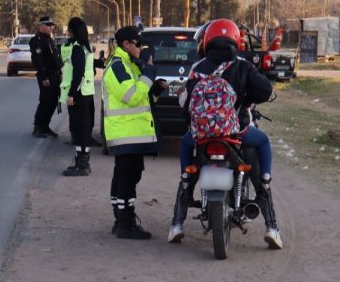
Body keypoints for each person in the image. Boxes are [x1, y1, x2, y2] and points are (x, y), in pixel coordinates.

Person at [167, 18, 283, 250]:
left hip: (202, 136)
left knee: (186, 152)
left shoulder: (197, 68)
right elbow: (265, 90)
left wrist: (194, 123)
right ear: (236, 41)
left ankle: (177, 223)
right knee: (262, 145)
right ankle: (271, 227)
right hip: (236, 133)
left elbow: (186, 103)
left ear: (207, 40)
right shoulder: (243, 66)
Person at [102, 25, 167, 239]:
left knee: (125, 174)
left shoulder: (129, 64)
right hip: (125, 133)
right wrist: (149, 74)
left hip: (130, 132)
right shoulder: (118, 67)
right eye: (137, 43)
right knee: (127, 177)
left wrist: (155, 90)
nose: (141, 47)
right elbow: (132, 96)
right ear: (125, 44)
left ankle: (120, 219)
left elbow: (143, 98)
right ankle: (125, 223)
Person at [59, 17, 96, 176]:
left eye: (69, 29)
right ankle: (82, 162)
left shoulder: (77, 48)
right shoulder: (85, 47)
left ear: (73, 31)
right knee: (83, 130)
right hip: (86, 93)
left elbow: (78, 74)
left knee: (79, 130)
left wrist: (72, 94)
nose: (67, 32)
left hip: (79, 95)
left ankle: (82, 165)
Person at [29, 16, 63, 138]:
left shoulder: (49, 39)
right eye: (48, 25)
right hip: (46, 75)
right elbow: (37, 60)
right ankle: (38, 127)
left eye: (51, 25)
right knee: (45, 101)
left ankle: (45, 125)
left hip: (54, 74)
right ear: (40, 26)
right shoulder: (37, 40)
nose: (50, 27)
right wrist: (44, 77)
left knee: (53, 101)